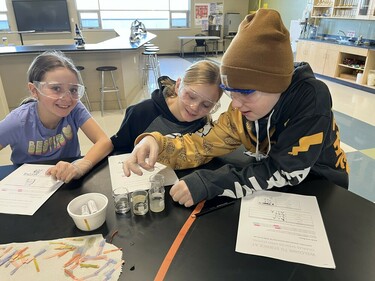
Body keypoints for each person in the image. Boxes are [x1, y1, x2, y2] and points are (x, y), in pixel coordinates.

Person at [123, 9, 349, 207]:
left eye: (246, 92)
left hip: (322, 187)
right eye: (230, 91)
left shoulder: (310, 98)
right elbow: (202, 144)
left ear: (276, 86)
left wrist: (210, 182)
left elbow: (287, 171)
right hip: (273, 190)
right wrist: (156, 142)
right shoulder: (240, 112)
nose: (236, 104)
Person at [0, 50, 113, 183]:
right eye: (56, 88)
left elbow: (104, 142)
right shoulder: (18, 121)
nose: (67, 98)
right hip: (28, 184)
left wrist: (80, 166)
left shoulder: (75, 109)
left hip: (66, 179)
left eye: (73, 90)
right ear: (34, 91)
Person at [111, 60, 223, 153]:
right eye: (191, 96)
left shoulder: (203, 123)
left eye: (206, 105)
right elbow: (119, 150)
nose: (194, 107)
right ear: (178, 86)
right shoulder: (141, 112)